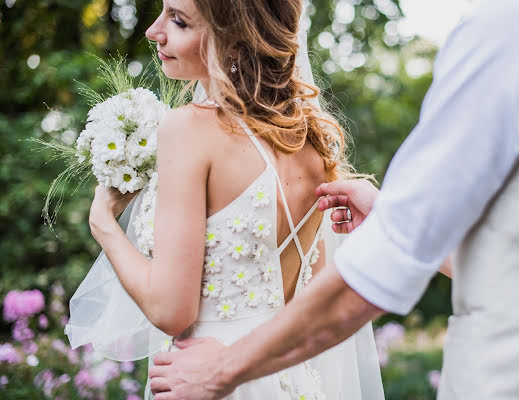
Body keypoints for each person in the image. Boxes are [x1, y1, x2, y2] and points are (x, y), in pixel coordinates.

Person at [148, 0, 519, 399]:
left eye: (179, 18)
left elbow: (391, 260)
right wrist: (386, 216)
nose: (157, 30)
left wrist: (225, 366)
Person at [65, 0, 385, 399]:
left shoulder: (188, 129)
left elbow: (171, 311)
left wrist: (104, 225)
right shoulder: (310, 143)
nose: (153, 31)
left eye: (178, 21)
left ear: (233, 40)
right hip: (291, 379)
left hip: (208, 376)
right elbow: (314, 298)